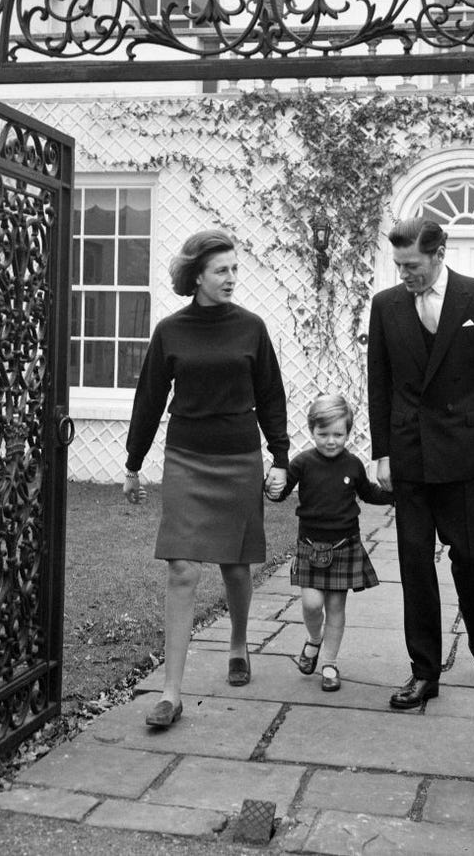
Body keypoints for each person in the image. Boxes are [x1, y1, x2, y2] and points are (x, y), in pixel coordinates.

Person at [123, 229, 289, 728]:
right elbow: (149, 399)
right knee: (182, 569)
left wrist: (280, 457)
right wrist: (133, 464)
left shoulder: (252, 328)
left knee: (236, 566)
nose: (232, 278)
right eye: (222, 270)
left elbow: (272, 396)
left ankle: (238, 642)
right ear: (197, 275)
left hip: (239, 457)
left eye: (235, 269)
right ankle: (171, 692)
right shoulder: (171, 331)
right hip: (187, 459)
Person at [367, 216, 474, 709]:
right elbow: (379, 383)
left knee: (470, 552)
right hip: (409, 452)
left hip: (465, 449)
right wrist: (382, 451)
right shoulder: (385, 306)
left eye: (411, 264)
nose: (404, 274)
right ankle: (424, 671)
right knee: (414, 562)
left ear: (438, 253)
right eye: (398, 265)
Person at [266, 393, 393, 692]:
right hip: (310, 545)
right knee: (312, 603)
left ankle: (330, 663)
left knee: (336, 607)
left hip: (344, 545)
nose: (331, 441)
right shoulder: (303, 463)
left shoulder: (352, 465)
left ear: (348, 432)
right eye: (324, 434)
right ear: (312, 431)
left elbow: (369, 493)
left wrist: (395, 494)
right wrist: (270, 485)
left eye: (339, 434)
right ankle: (313, 639)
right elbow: (281, 493)